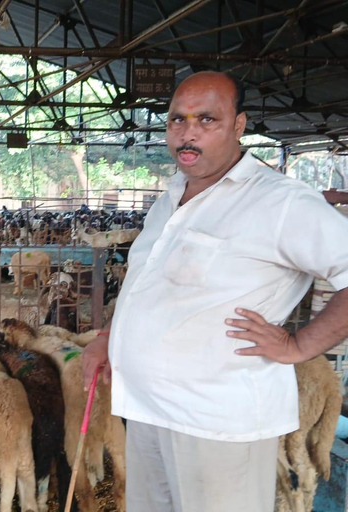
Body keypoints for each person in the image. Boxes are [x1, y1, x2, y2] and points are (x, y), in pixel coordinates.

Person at [82, 71, 348, 512]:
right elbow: (146, 286)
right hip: (147, 411)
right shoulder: (170, 198)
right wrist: (111, 338)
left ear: (239, 125)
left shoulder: (280, 202)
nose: (188, 134)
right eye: (177, 120)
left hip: (218, 422)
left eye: (207, 120)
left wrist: (298, 344)